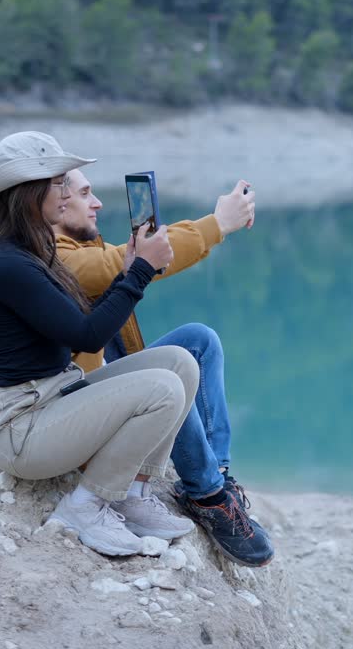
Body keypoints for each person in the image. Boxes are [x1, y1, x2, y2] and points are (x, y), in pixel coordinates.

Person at [0, 130, 197, 558]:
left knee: (180, 363)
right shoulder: (7, 263)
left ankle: (132, 494)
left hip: (55, 396)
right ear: (29, 192)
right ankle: (85, 507)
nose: (66, 194)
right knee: (162, 389)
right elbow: (87, 336)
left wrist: (128, 271)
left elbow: (79, 325)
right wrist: (140, 272)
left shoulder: (31, 250)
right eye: (58, 183)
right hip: (20, 430)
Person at [50, 166, 274, 567]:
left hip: (103, 386)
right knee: (169, 374)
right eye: (85, 194)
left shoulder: (74, 244)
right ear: (54, 202)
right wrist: (217, 224)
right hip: (79, 413)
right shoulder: (50, 256)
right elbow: (121, 263)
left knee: (199, 341)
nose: (97, 203)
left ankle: (216, 476)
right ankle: (208, 495)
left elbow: (124, 262)